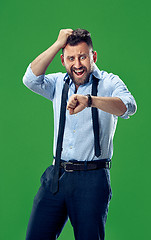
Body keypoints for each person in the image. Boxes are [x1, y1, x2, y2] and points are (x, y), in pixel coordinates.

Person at [23, 28, 137, 240]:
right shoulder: (58, 83)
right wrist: (58, 43)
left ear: (93, 56)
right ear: (63, 60)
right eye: (71, 58)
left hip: (92, 178)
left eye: (83, 57)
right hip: (57, 175)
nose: (77, 64)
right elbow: (30, 79)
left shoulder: (109, 82)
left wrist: (90, 101)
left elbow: (128, 107)